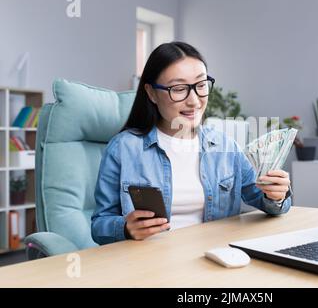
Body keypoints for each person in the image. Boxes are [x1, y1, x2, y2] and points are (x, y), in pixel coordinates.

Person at [91, 41, 292, 245]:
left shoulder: (226, 147)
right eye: (179, 89)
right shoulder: (123, 148)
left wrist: (276, 194)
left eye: (201, 85)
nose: (194, 101)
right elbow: (99, 226)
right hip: (151, 266)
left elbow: (266, 202)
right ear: (151, 93)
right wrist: (125, 228)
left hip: (214, 259)